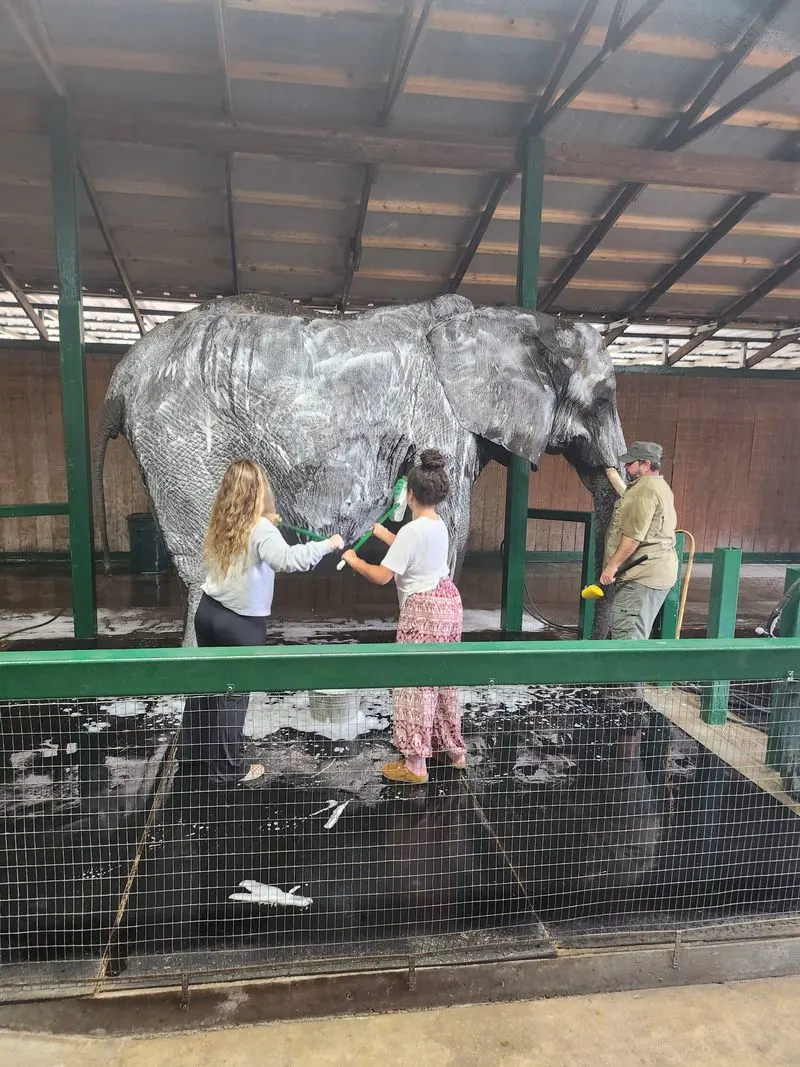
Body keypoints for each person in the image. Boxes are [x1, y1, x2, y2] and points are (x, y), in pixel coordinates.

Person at [179, 459, 343, 788]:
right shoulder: (261, 529)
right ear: (258, 491)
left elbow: (255, 539)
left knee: (205, 687)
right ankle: (228, 769)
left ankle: (192, 754)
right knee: (232, 695)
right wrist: (329, 545)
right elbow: (286, 559)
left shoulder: (226, 519)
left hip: (208, 613)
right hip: (240, 625)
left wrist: (268, 522)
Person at [342, 449, 466, 785]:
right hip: (448, 604)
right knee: (441, 678)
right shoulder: (436, 524)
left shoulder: (413, 531)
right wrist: (383, 535)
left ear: (410, 494)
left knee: (414, 682)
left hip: (423, 610)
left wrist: (354, 560)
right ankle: (451, 749)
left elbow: (383, 576)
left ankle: (415, 764)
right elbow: (413, 551)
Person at [599, 441, 678, 640]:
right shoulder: (661, 486)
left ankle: (628, 672)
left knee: (628, 638)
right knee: (638, 634)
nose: (626, 466)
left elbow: (633, 538)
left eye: (630, 463)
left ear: (645, 464)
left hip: (640, 576)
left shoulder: (643, 491)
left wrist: (612, 567)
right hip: (658, 571)